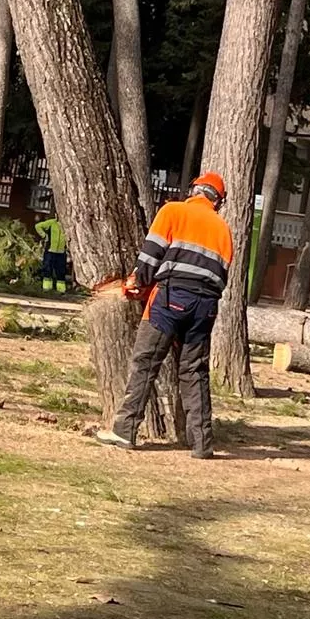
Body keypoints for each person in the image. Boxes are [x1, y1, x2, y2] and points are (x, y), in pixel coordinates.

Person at [93, 171, 233, 460]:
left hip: (170, 300)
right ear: (217, 201)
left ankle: (124, 430)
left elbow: (149, 255)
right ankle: (202, 443)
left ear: (194, 190)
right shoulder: (222, 229)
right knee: (195, 371)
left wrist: (138, 283)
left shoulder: (173, 211)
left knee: (145, 362)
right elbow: (221, 276)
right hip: (206, 307)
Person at [34, 211, 69, 293]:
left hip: (61, 251)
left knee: (61, 270)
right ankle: (47, 288)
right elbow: (38, 226)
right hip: (50, 250)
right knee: (47, 268)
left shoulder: (67, 226)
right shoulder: (52, 223)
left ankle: (61, 290)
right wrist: (44, 235)